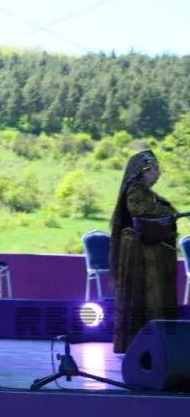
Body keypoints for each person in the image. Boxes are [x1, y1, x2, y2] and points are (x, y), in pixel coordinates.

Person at [109, 149, 180, 354]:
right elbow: (140, 210)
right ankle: (142, 341)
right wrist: (168, 211)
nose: (159, 174)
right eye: (156, 169)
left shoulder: (148, 193)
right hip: (140, 252)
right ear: (145, 170)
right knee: (143, 297)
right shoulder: (135, 190)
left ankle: (157, 341)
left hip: (151, 250)